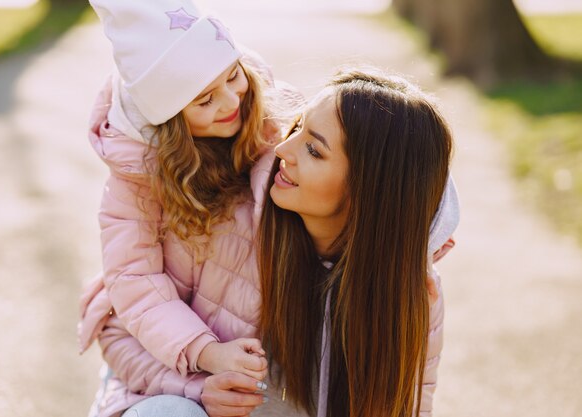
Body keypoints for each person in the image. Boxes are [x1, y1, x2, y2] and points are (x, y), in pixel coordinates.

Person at [76, 0, 295, 416]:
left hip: (254, 361)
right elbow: (135, 282)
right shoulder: (136, 178)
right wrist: (207, 355)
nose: (232, 101)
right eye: (205, 99)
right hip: (163, 355)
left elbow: (352, 160)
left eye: (234, 75)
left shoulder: (273, 122)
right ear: (170, 117)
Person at [201, 68, 459, 417]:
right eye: (297, 128)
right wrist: (195, 388)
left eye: (313, 150)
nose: (282, 149)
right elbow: (124, 325)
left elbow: (410, 408)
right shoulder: (229, 224)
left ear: (369, 193)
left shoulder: (412, 290)